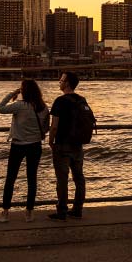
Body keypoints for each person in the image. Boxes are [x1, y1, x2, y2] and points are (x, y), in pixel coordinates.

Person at [0, 78, 49, 222]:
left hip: (18, 145)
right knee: (32, 178)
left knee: (10, 178)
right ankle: (29, 212)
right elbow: (46, 128)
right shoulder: (43, 107)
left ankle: (5, 212)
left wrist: (12, 93)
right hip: (35, 145)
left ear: (23, 91)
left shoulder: (19, 105)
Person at [47, 71, 92, 220]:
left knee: (62, 179)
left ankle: (62, 211)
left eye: (61, 80)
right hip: (78, 145)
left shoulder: (60, 101)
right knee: (79, 178)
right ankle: (78, 209)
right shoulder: (82, 100)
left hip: (62, 144)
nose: (59, 82)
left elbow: (54, 126)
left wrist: (50, 140)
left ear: (67, 83)